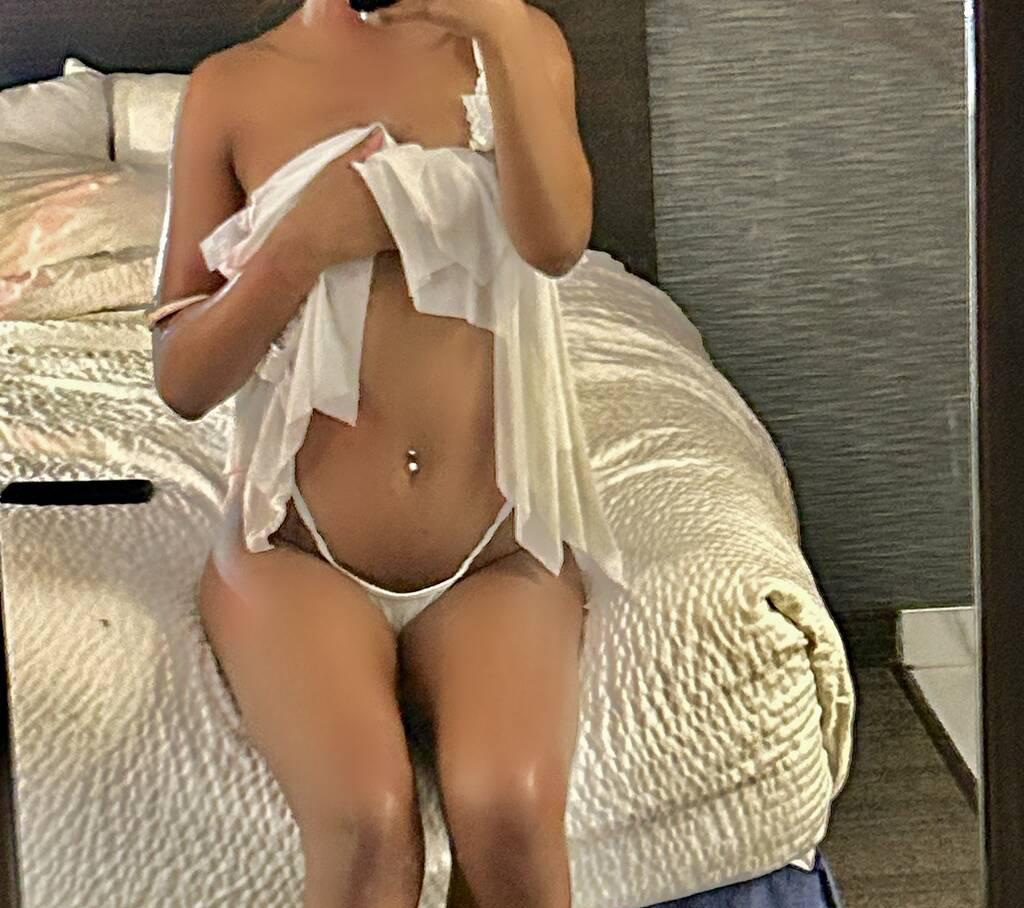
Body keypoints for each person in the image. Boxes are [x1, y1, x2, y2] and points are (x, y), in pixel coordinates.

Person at [148, 2, 605, 906]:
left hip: (493, 551)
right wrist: (297, 250)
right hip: (298, 550)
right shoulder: (231, 86)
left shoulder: (514, 41)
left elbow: (556, 244)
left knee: (510, 812)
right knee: (365, 824)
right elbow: (183, 379)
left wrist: (499, 26)